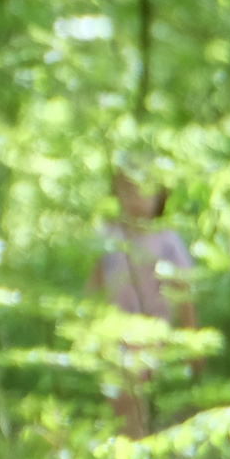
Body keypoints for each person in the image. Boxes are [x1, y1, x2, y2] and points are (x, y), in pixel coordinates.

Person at [89, 152, 199, 438]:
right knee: (117, 395)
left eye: (144, 190)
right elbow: (95, 282)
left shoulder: (166, 242)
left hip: (152, 331)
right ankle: (130, 445)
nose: (135, 197)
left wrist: (192, 338)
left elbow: (184, 291)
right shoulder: (110, 236)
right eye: (127, 189)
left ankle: (138, 444)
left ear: (160, 195)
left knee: (132, 388)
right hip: (113, 330)